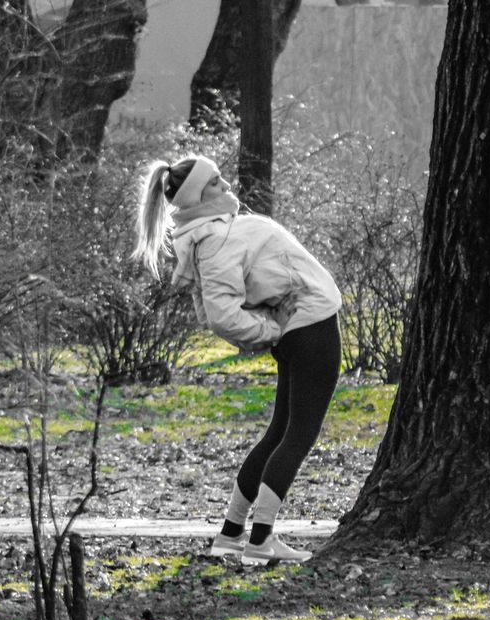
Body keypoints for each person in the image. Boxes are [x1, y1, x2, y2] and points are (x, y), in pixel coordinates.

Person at [133, 155, 342, 565]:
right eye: (215, 181)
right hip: (310, 324)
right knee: (299, 435)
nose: (226, 184)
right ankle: (261, 540)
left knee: (279, 433)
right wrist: (271, 333)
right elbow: (221, 315)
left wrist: (275, 328)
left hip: (300, 322)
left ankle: (231, 534)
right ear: (198, 195)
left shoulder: (212, 233)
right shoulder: (216, 239)